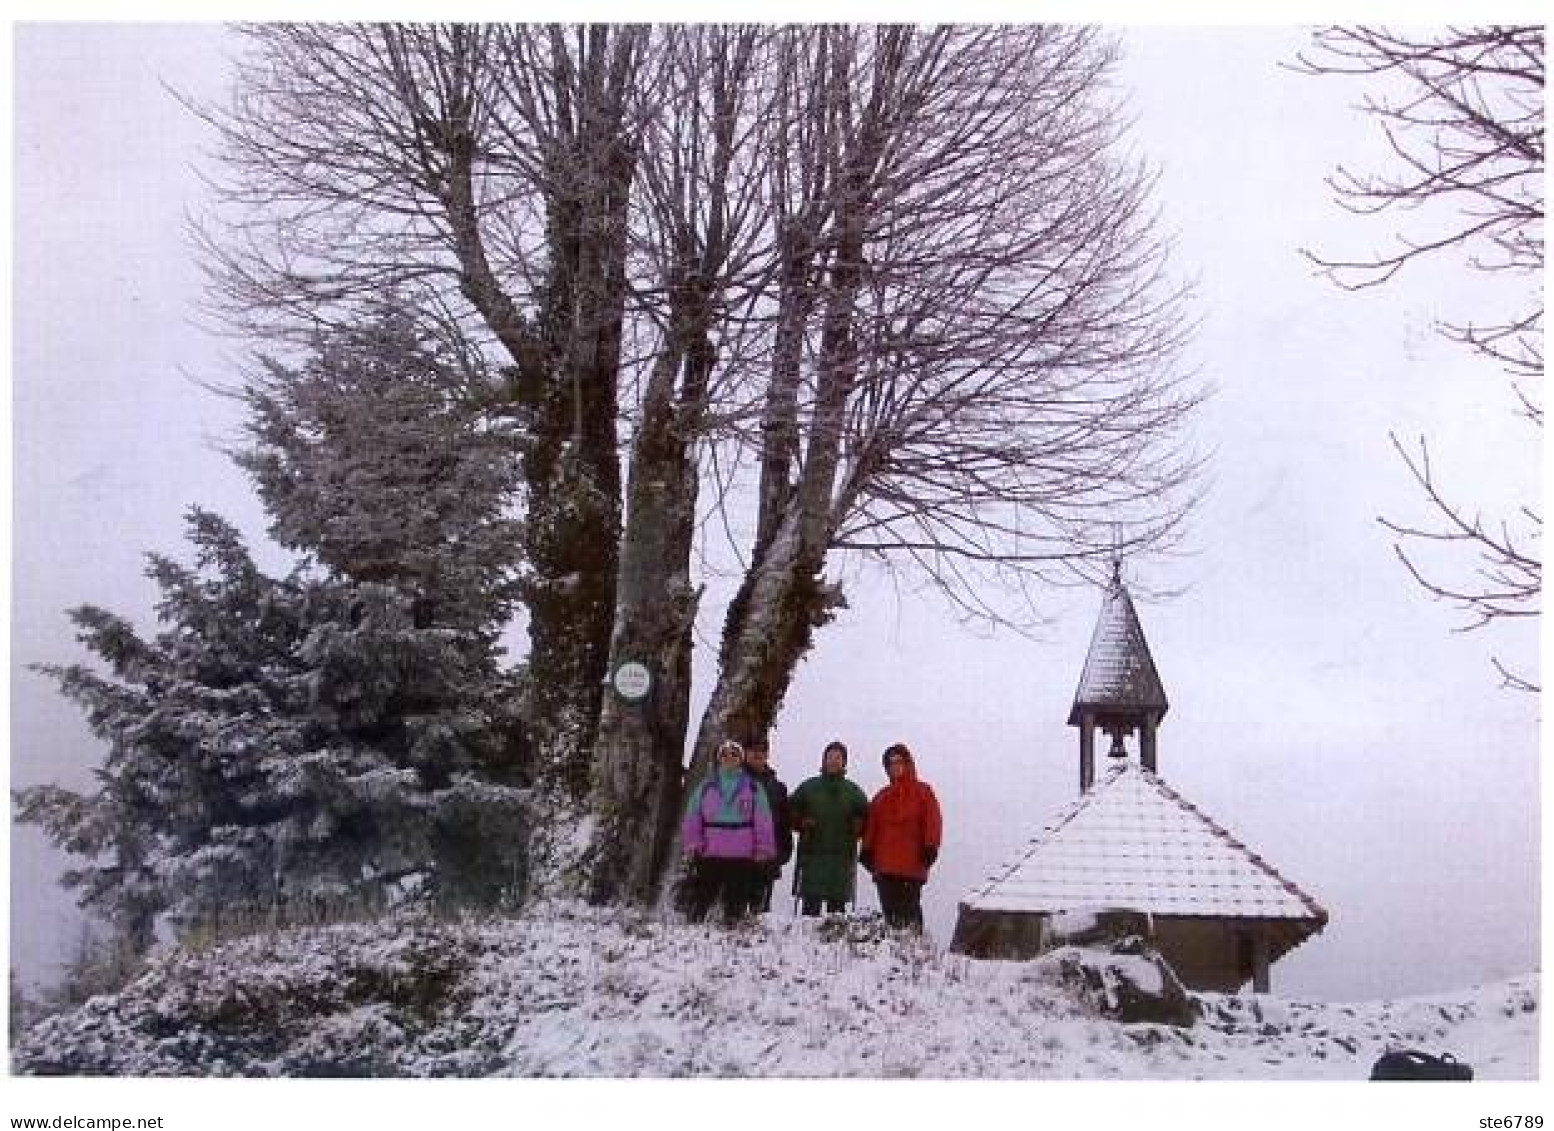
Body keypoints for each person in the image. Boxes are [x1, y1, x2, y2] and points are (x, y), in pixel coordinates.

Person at [680, 739, 776, 922]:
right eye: (725, 755)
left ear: (741, 759)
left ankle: (732, 935)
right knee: (702, 897)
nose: (729, 758)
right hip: (710, 852)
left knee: (735, 901)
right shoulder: (706, 787)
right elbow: (693, 818)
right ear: (719, 759)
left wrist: (764, 848)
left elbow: (763, 821)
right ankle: (694, 930)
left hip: (741, 855)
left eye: (734, 755)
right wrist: (693, 843)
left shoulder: (753, 788)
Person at [860, 743, 943, 931]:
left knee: (910, 915)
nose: (894, 766)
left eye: (898, 761)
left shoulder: (923, 792)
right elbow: (871, 826)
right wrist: (866, 850)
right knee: (890, 917)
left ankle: (915, 953)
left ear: (908, 763)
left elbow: (933, 820)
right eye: (890, 764)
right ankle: (894, 956)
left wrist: (931, 846)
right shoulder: (881, 797)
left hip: (912, 866)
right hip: (884, 867)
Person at [788, 740, 869, 916]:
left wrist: (860, 825)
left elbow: (868, 817)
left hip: (841, 860)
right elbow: (790, 811)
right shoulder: (809, 787)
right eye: (829, 757)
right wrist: (801, 822)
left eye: (838, 757)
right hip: (812, 858)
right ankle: (806, 943)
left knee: (837, 913)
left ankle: (833, 942)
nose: (833, 761)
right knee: (810, 910)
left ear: (844, 762)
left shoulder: (853, 791)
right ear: (823, 760)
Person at [742, 735, 793, 914]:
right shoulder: (732, 782)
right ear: (745, 753)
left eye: (762, 751)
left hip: (766, 862)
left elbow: (784, 824)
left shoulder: (778, 788)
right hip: (735, 860)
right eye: (753, 750)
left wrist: (784, 853)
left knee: (761, 916)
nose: (757, 754)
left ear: (767, 755)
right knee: (732, 915)